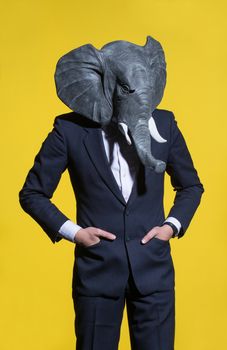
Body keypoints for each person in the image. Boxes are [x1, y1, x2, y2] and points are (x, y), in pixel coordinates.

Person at [19, 36, 204, 350]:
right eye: (128, 89)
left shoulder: (165, 124)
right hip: (97, 274)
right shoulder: (70, 130)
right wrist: (75, 233)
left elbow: (190, 186)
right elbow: (32, 193)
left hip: (154, 275)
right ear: (98, 84)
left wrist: (171, 226)